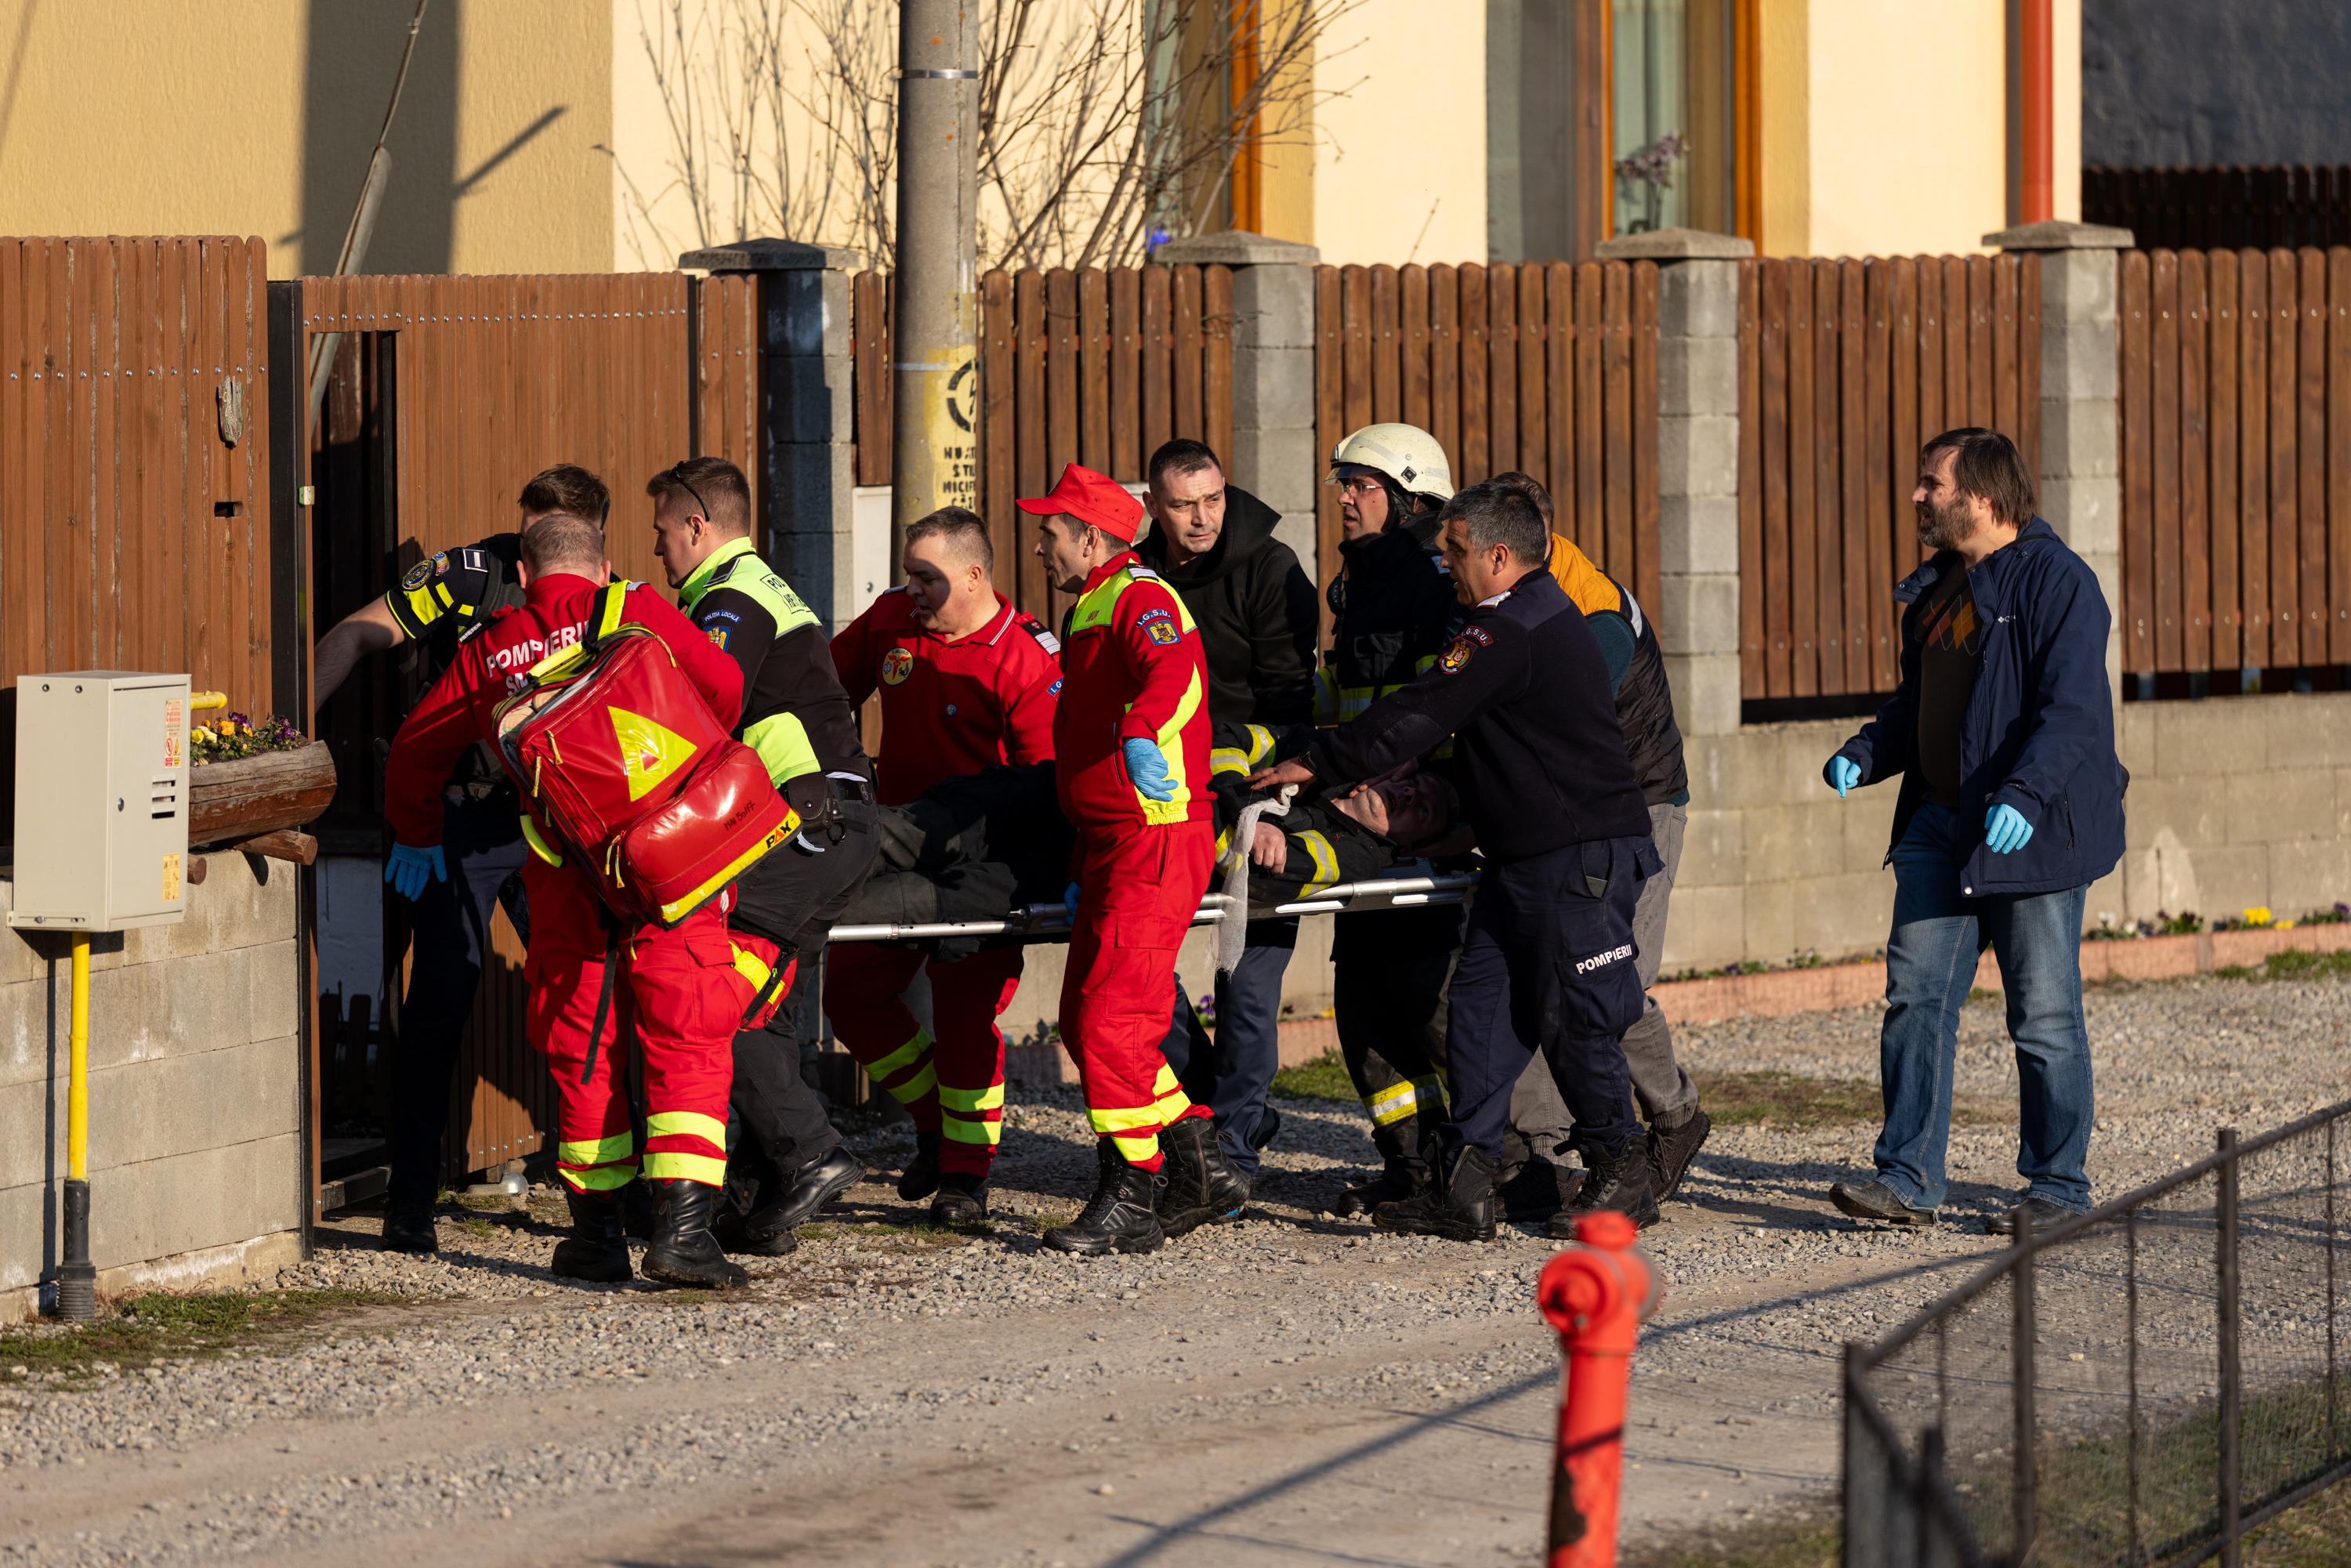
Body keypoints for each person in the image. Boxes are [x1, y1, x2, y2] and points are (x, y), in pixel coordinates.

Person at [1253, 481, 1662, 1240]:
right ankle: (1466, 1185)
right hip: (1520, 859)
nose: (1444, 563)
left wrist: (1318, 761)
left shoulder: (1514, 627)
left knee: (1574, 1017)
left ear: (1500, 557)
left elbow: (1420, 710)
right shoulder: (1517, 618)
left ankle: (1621, 1171)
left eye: (1456, 549)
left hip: (1574, 859)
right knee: (1478, 1012)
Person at [383, 513, 781, 1288]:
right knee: (686, 1024)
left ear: (522, 576)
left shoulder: (492, 648)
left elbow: (415, 749)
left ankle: (596, 1238)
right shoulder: (633, 607)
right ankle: (684, 1233)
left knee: (583, 1041)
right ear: (603, 567)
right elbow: (727, 689)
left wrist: (418, 832)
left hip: (567, 870)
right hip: (667, 854)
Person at [1822, 429, 2124, 1234]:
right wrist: (1867, 751)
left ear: (1983, 497)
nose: (1918, 497)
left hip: (2030, 832)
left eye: (1933, 484)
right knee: (1916, 999)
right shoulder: (1939, 589)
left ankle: (2058, 1190)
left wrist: (2024, 796)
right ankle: (1908, 1178)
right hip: (1937, 824)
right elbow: (1917, 703)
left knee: (2044, 1017)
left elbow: (2075, 713)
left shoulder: (2059, 581)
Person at [310, 463, 610, 1255]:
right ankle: (410, 1202)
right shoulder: (472, 575)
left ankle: (620, 1199)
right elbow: (358, 633)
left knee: (589, 992)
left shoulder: (609, 597)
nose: (535, 552)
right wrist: (285, 730)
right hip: (458, 817)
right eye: (530, 533)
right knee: (440, 1001)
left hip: (552, 817)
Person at [651, 456, 878, 1256]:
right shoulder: (757, 588)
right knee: (763, 1010)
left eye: (663, 532)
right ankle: (761, 1195)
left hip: (805, 831)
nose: (658, 548)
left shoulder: (732, 600)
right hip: (828, 827)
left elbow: (702, 708)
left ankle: (809, 1154)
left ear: (697, 526)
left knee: (716, 1001)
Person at [1020, 462, 1242, 1255]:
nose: (1040, 545)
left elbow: (1174, 673)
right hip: (1115, 841)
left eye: (1050, 531)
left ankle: (1131, 1196)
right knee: (1088, 1022)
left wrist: (1143, 733)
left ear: (1089, 538)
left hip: (1154, 834)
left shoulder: (1139, 597)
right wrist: (1082, 860)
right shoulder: (1094, 603)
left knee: (1113, 1022)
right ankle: (1201, 1168)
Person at [824, 505, 1062, 1222]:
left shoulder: (1024, 658)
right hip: (891, 851)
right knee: (851, 994)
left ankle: (964, 1174)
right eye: (908, 575)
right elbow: (824, 695)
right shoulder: (892, 621)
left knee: (964, 1018)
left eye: (926, 577)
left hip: (978, 873)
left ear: (974, 575)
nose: (912, 590)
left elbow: (1045, 789)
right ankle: (933, 1122)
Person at [1486, 471, 1713, 1217]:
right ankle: (1548, 1155)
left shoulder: (1595, 612)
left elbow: (1556, 720)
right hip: (1566, 815)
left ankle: (1675, 1116)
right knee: (1549, 978)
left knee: (1609, 983)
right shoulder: (1513, 601)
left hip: (1638, 807)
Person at [1133, 438, 1323, 1189]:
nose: (1203, 517)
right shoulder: (1137, 578)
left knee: (1246, 982)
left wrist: (1262, 806)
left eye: (1212, 499)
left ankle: (1235, 1155)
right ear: (1153, 506)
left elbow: (1292, 707)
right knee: (1142, 965)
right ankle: (1217, 1103)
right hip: (1164, 796)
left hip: (1261, 791)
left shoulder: (1272, 568)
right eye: (1183, 505)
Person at [1313, 423, 1465, 1218]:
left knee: (1429, 1004)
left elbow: (1436, 708)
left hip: (1417, 822)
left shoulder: (1435, 583)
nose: (1344, 497)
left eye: (1361, 485)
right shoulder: (1361, 582)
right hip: (1358, 814)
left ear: (1409, 499)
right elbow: (1347, 700)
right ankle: (1409, 1168)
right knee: (1364, 1005)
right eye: (1342, 483)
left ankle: (1487, 1166)